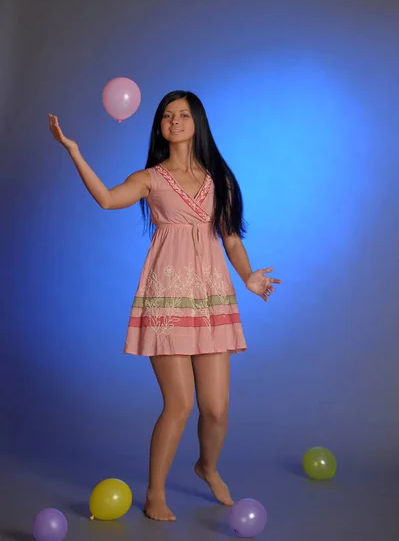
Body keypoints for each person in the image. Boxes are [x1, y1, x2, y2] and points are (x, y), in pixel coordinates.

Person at [48, 90, 281, 522]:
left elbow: (230, 237)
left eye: (183, 114)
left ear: (198, 123)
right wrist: (75, 153)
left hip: (211, 299)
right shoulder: (150, 178)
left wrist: (248, 276)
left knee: (216, 407)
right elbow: (107, 198)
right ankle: (155, 493)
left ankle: (206, 466)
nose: (175, 120)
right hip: (166, 299)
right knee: (179, 404)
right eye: (167, 115)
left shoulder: (219, 179)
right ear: (159, 126)